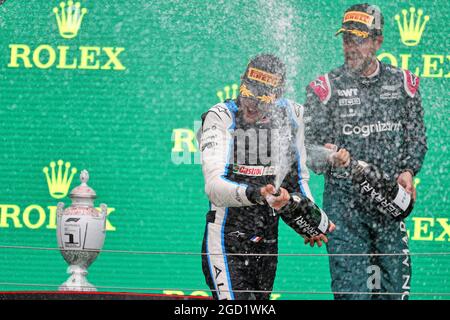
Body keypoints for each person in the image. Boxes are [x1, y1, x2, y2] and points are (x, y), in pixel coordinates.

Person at [303, 3, 428, 300]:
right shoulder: (324, 88)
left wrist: (409, 171)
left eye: (359, 39)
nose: (351, 47)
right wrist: (329, 156)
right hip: (344, 208)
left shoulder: (403, 83)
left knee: (394, 295)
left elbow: (417, 138)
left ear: (377, 41)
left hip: (387, 202)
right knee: (352, 297)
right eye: (347, 39)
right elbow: (307, 152)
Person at [198, 54, 340, 300]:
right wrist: (256, 194)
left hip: (267, 240)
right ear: (241, 82)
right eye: (247, 93)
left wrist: (306, 219)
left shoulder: (294, 115)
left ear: (277, 97)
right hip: (226, 239)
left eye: (261, 99)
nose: (251, 105)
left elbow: (298, 181)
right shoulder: (221, 116)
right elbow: (214, 187)